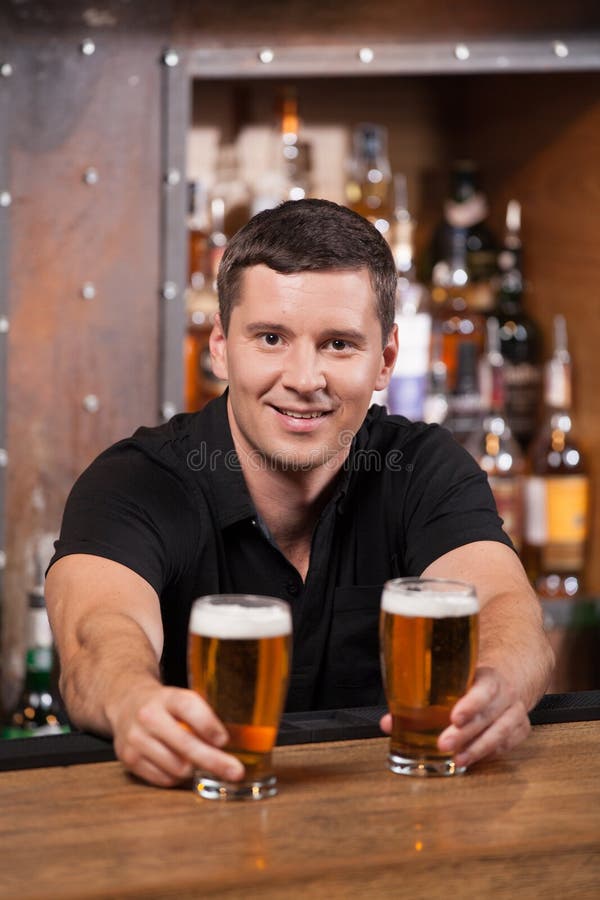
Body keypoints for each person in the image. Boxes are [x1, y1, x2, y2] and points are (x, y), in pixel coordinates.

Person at [46, 199, 554, 788]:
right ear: (219, 346)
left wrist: (496, 685)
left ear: (386, 360)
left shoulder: (424, 468)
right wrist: (132, 700)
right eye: (270, 338)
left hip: (390, 837)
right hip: (183, 830)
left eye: (339, 344)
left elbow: (509, 612)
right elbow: (96, 634)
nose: (303, 379)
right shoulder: (133, 480)